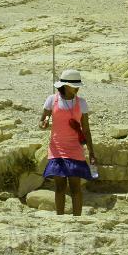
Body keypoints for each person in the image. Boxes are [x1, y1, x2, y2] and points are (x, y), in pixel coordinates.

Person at [39, 69, 96, 216]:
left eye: (77, 86)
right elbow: (43, 120)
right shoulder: (52, 100)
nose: (76, 88)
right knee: (59, 187)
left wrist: (91, 152)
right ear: (64, 85)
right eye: (73, 85)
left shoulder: (81, 103)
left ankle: (77, 220)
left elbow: (86, 130)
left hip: (75, 148)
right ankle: (60, 218)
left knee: (76, 187)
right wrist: (44, 123)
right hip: (57, 148)